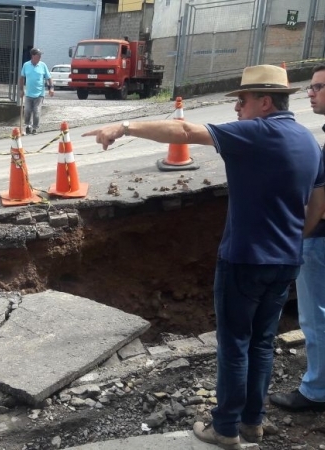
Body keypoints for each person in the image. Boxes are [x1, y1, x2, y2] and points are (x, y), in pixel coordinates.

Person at [83, 65, 325, 449]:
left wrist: (124, 127)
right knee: (262, 343)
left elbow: (184, 131)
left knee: (234, 345)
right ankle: (252, 423)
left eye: (242, 101)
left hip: (245, 259)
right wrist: (292, 239)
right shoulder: (308, 141)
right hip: (286, 259)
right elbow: (317, 205)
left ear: (264, 102)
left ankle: (225, 428)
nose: (237, 110)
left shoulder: (258, 132)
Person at [269, 64, 325, 413]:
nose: (311, 92)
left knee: (315, 317)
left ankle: (317, 390)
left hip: (319, 240)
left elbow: (318, 205)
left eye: (318, 87)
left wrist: (299, 236)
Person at [19, 47, 54, 135]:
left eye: (40, 55)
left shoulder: (43, 65)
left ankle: (35, 128)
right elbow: (22, 78)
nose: (40, 57)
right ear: (33, 56)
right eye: (38, 55)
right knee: (27, 110)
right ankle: (27, 126)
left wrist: (51, 88)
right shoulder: (26, 65)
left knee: (36, 111)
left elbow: (49, 78)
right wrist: (21, 90)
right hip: (29, 93)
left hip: (39, 94)